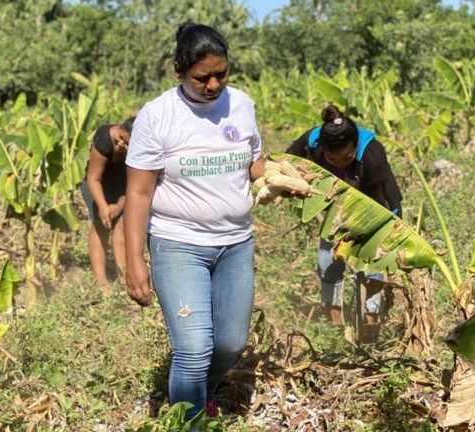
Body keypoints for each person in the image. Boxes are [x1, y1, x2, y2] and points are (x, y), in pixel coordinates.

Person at [124, 23, 265, 420]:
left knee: (231, 344)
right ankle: (187, 422)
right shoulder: (158, 116)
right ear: (178, 70)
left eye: (221, 74)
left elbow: (254, 161)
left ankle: (201, 392)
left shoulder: (242, 104)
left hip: (236, 243)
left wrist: (284, 180)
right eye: (202, 77)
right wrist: (135, 261)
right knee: (193, 348)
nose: (213, 84)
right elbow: (138, 193)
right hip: (178, 243)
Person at [286, 103, 402, 342]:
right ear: (323, 149)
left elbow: (379, 202)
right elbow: (287, 161)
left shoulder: (372, 155)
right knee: (328, 263)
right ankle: (335, 329)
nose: (340, 163)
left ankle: (371, 328)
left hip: (376, 207)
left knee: (371, 268)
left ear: (356, 146)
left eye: (346, 157)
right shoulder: (312, 142)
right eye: (333, 158)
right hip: (333, 209)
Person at [80, 117, 135, 289]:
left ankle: (123, 275)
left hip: (121, 181)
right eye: (120, 138)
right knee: (100, 223)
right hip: (96, 181)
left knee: (121, 223)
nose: (120, 145)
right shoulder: (104, 139)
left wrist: (119, 206)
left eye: (126, 144)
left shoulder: (141, 150)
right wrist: (103, 206)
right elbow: (93, 178)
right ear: (119, 129)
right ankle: (101, 281)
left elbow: (135, 184)